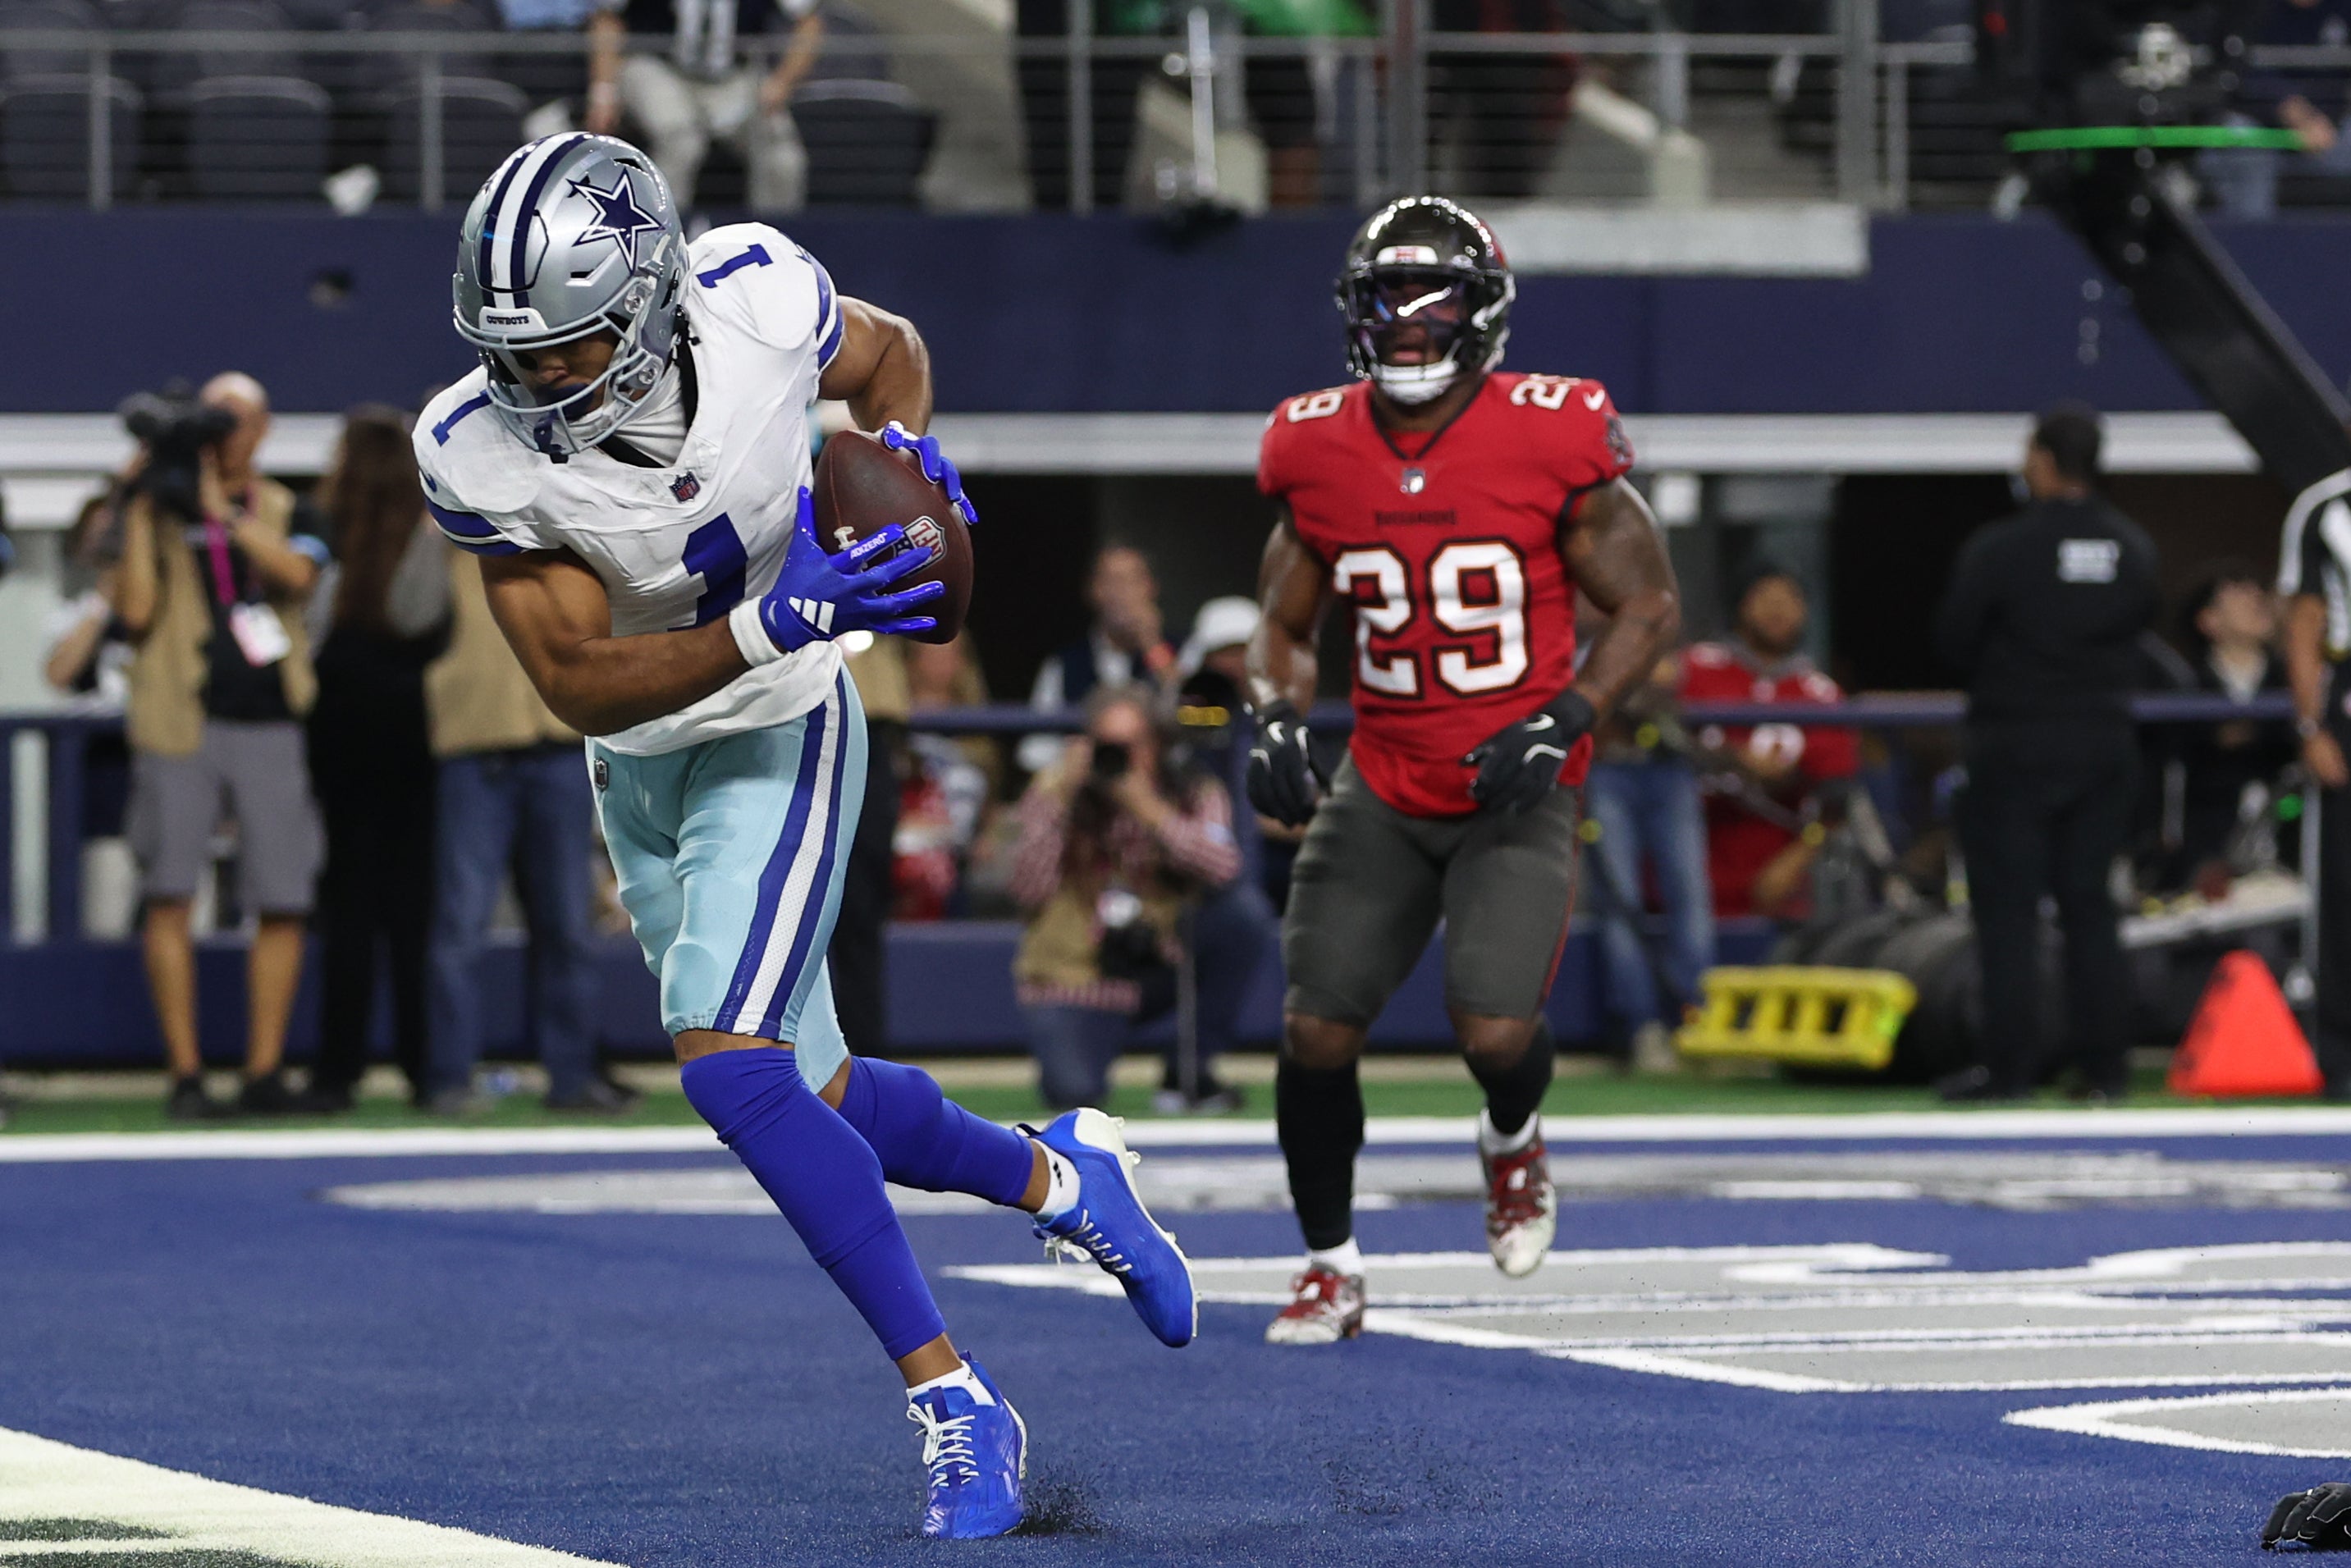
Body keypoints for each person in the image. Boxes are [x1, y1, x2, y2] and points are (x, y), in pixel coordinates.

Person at [414, 133, 1193, 1538]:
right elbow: (577, 677)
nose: (532, 384)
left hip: (783, 722)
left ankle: (956, 1398)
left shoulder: (761, 294)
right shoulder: (471, 449)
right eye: (512, 356)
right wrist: (779, 608)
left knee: (727, 1059)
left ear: (650, 305)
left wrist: (903, 464)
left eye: (567, 350)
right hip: (636, 759)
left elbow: (891, 357)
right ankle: (1068, 1172)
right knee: (814, 1096)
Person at [1244, 196, 1680, 1343]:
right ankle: (1330, 1264)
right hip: (1383, 776)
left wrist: (1568, 712)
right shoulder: (1314, 441)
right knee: (1315, 1031)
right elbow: (1284, 625)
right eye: (1387, 304)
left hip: (1516, 777)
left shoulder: (1553, 428)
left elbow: (1647, 601)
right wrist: (1276, 719)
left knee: (1492, 1032)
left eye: (1433, 306)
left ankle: (1511, 1139)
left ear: (1481, 318)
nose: (1408, 329)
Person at [116, 373, 328, 1121]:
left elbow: (299, 575)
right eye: (210, 421)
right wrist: (141, 509)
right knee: (170, 890)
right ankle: (185, 1073)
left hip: (270, 715)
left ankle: (263, 1070)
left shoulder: (283, 504)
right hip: (180, 717)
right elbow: (135, 611)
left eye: (233, 420)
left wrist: (218, 514)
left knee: (283, 895)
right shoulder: (156, 509)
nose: (220, 434)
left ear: (263, 428)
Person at [1936, 404, 2158, 1103]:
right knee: (2091, 909)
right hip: (2101, 742)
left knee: (2008, 913)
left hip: (2016, 744)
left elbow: (1954, 641)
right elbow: (2142, 625)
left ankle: (2010, 1070)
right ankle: (2104, 1071)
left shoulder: (2001, 547)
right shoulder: (2132, 547)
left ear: (2041, 460)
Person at [418, 533, 623, 1115]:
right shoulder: (445, 521)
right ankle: (450, 1076)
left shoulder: (566, 520)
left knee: (568, 923)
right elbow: (406, 613)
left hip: (557, 740)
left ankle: (573, 1075)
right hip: (474, 742)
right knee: (460, 926)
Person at [1009, 684, 1270, 1113]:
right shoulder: (1056, 790)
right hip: (1080, 976)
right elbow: (1025, 890)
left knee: (1243, 917)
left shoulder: (1189, 788)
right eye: (1110, 747)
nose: (1122, 759)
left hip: (1163, 961)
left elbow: (1225, 869)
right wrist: (1061, 799)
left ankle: (1186, 1068)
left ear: (1159, 743)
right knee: (1073, 1096)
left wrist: (1148, 809)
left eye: (1135, 745)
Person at [305, 406, 451, 1111]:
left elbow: (315, 634)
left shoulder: (330, 538)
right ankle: (425, 1069)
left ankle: (338, 1072)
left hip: (340, 734)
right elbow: (421, 619)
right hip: (404, 733)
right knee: (410, 910)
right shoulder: (422, 541)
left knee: (349, 908)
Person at [1680, 565, 1859, 920]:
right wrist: (1732, 758)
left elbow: (1837, 802)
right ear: (1740, 605)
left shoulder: (1820, 694)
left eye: (1790, 599)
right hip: (1684, 876)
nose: (1777, 608)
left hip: (1776, 889)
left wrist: (1792, 865)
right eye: (1764, 596)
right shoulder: (1692, 670)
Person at [1582, 643, 1713, 1066]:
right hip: (1606, 770)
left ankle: (1698, 1019)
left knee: (1690, 895)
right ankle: (1643, 1028)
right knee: (1621, 902)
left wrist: (1659, 682)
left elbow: (1680, 696)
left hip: (1669, 770)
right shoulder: (1577, 646)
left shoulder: (1674, 643)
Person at [601, 0, 821, 211]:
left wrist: (782, 82)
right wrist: (604, 91)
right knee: (681, 140)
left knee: (782, 157)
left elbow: (809, 23)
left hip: (736, 76)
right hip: (659, 69)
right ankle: (660, 238)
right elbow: (606, 17)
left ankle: (772, 240)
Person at [2280, 464, 2351, 1097]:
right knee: (2342, 888)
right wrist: (2311, 725)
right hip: (2347, 707)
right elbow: (2303, 621)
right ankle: (2340, 1052)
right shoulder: (2326, 506)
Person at [2166, 562, 2296, 892]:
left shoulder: (2294, 682)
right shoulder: (2186, 686)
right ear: (2209, 620)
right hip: (2211, 843)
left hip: (2287, 835)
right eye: (2239, 594)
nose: (2256, 599)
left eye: (2258, 592)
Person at [1020, 542, 1176, 772]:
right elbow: (1034, 751)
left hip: (1162, 787)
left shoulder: (1179, 650)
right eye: (1110, 581)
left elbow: (1197, 716)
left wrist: (1152, 645)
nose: (1121, 593)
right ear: (1092, 590)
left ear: (1151, 587)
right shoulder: (1065, 665)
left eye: (1131, 581)